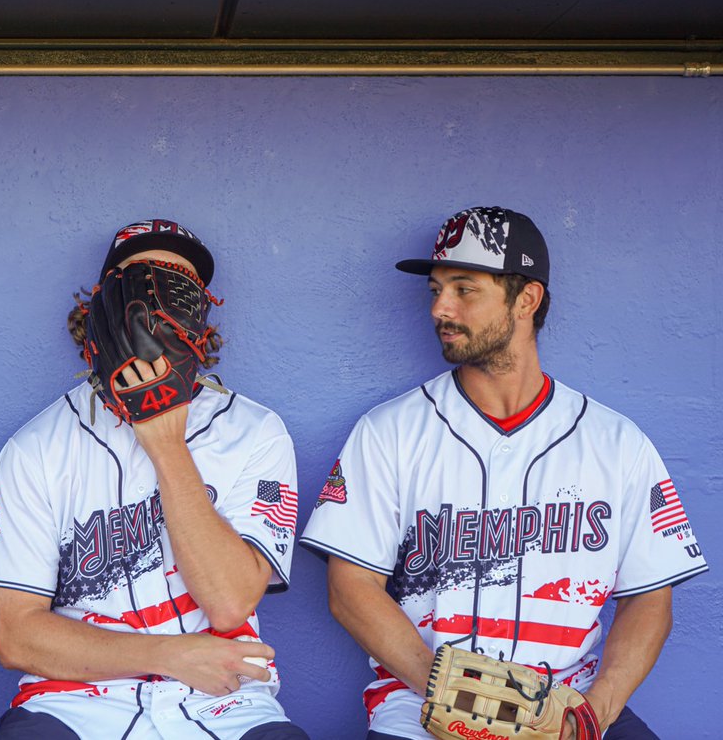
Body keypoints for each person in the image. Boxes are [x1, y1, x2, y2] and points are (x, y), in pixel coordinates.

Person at [301, 207, 709, 739]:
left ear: (527, 299)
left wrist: (594, 713)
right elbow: (350, 588)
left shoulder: (615, 442)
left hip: (568, 699)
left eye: (464, 289)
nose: (440, 309)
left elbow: (650, 597)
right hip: (421, 705)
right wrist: (454, 695)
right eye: (435, 290)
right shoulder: (389, 432)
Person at [0, 220, 308, 739]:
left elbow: (230, 602)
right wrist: (168, 655)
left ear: (200, 318)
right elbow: (17, 636)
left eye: (176, 287)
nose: (153, 303)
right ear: (101, 310)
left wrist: (164, 439)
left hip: (223, 699)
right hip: (71, 701)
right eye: (138, 283)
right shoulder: (37, 448)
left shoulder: (254, 431)